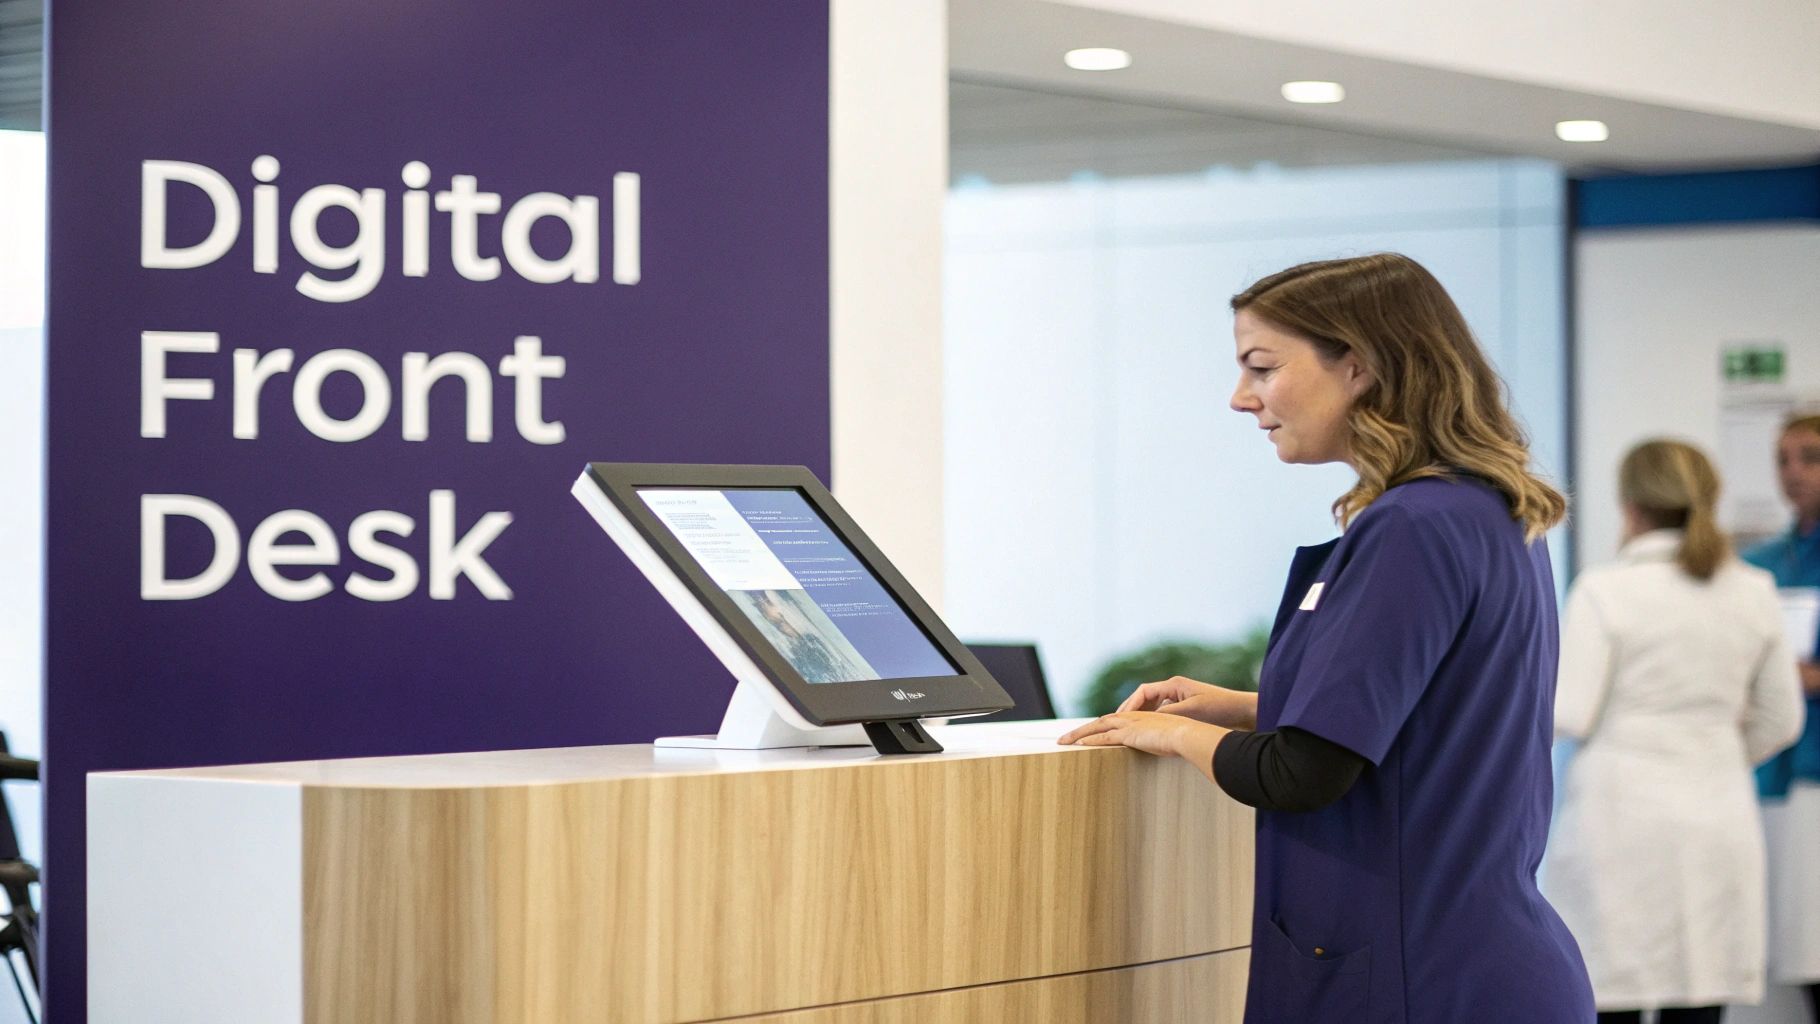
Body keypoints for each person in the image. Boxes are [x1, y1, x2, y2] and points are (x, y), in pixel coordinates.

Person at [1060, 252, 1594, 1023]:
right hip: (1480, 964)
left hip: (1421, 976)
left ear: (1359, 366)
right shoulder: (1490, 510)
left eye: (1263, 368)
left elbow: (1302, 773)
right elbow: (1433, 715)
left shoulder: (1411, 526)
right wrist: (1250, 706)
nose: (1242, 398)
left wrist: (1167, 733)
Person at [1544, 440, 1803, 1024]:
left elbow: (1570, 712)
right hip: (1717, 815)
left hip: (1619, 819)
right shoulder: (1753, 590)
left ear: (1630, 504)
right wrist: (1719, 755)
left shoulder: (1605, 590)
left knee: (1610, 997)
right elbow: (1782, 719)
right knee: (1700, 996)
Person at [1742, 415, 1820, 1021]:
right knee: (1790, 948)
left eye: (1810, 458)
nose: (1793, 473)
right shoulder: (1762, 561)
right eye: (1784, 460)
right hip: (1773, 774)